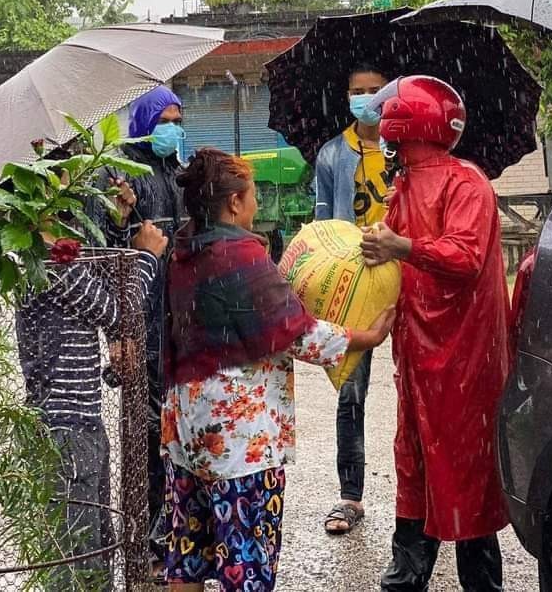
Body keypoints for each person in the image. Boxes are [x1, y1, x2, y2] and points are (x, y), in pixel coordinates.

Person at [160, 148, 395, 592]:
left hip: (186, 427)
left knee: (188, 551)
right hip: (238, 438)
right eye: (252, 196)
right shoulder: (240, 255)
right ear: (233, 203)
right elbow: (296, 333)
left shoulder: (183, 249)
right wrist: (369, 337)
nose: (257, 205)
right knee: (246, 558)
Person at [360, 75, 513, 592]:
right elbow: (396, 258)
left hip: (465, 355)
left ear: (404, 124)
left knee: (464, 465)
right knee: (417, 458)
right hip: (418, 350)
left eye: (388, 124)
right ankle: (407, 573)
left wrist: (401, 247)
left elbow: (465, 257)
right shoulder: (403, 184)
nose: (384, 135)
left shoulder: (465, 182)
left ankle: (480, 580)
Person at [15, 184, 169, 591]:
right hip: (64, 425)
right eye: (62, 174)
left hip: (81, 420)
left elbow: (104, 282)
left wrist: (116, 225)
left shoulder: (59, 251)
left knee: (95, 548)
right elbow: (119, 313)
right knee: (76, 554)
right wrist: (147, 257)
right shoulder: (45, 258)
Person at [86, 84, 187, 557]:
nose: (172, 130)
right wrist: (117, 333)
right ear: (145, 123)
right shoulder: (118, 174)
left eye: (176, 121)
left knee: (174, 428)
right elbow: (101, 250)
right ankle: (147, 533)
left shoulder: (174, 171)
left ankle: (170, 524)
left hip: (175, 318)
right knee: (146, 433)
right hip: (138, 315)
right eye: (163, 121)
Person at [313, 61, 392, 536]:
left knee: (421, 391)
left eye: (375, 91)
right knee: (351, 393)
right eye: (357, 91)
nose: (366, 99)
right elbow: (323, 227)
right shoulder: (330, 156)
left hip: (408, 280)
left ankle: (426, 496)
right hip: (355, 287)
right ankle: (350, 496)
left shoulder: (407, 150)